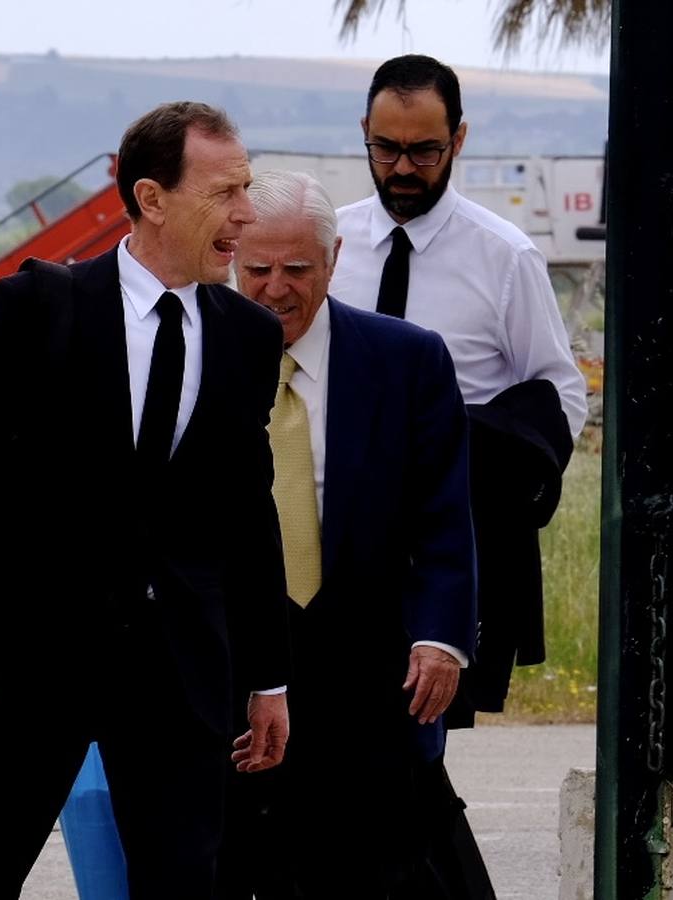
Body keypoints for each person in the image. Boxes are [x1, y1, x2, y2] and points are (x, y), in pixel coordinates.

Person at [0, 101, 292, 900]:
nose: (245, 214)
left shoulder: (248, 337)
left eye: (246, 189)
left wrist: (268, 677)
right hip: (34, 661)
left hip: (180, 674)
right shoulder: (39, 308)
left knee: (184, 880)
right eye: (224, 193)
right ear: (152, 199)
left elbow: (247, 515)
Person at [216, 169, 478, 898]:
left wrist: (441, 637)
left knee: (377, 875)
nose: (275, 288)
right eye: (257, 268)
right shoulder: (197, 354)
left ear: (334, 262)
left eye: (297, 269)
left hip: (371, 678)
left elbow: (443, 516)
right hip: (238, 673)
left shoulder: (406, 360)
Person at [330, 54, 588, 721]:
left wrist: (480, 457)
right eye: (385, 149)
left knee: (424, 743)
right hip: (336, 544)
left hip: (446, 542)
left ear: (459, 140)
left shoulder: (505, 258)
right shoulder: (329, 246)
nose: (405, 169)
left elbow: (560, 395)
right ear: (364, 131)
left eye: (425, 150)